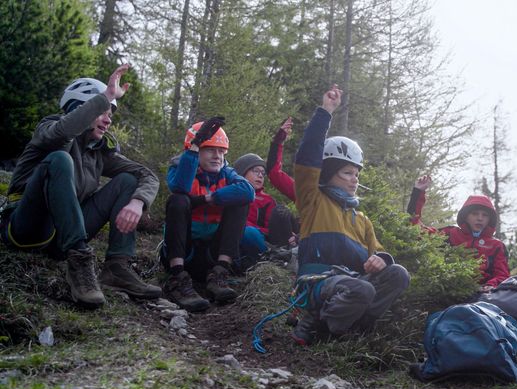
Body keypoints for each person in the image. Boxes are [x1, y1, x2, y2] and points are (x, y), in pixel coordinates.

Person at [1, 64, 161, 308]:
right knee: (60, 159)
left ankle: (117, 267)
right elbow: (64, 132)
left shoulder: (99, 152)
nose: (108, 120)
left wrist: (138, 202)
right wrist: (106, 96)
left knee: (128, 181)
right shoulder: (49, 129)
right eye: (104, 111)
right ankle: (80, 261)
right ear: (81, 107)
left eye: (111, 114)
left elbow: (147, 175)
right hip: (28, 227)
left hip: (61, 239)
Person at [290, 85, 410, 345]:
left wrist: (381, 259)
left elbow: (376, 251)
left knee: (398, 273)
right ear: (328, 172)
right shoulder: (313, 200)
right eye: (347, 173)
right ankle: (317, 322)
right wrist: (326, 111)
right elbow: (307, 157)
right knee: (362, 288)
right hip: (317, 285)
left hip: (352, 285)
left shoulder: (362, 219)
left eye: (356, 174)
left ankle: (357, 326)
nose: (354, 179)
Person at [163, 117, 254, 312]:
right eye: (211, 150)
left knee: (239, 202)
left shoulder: (227, 173)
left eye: (221, 151)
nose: (217, 156)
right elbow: (180, 187)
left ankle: (220, 274)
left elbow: (248, 192)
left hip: (211, 256)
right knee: (178, 200)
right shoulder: (178, 167)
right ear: (196, 151)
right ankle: (177, 278)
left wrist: (210, 198)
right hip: (185, 253)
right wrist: (194, 148)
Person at [407, 175, 509, 292]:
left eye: (484, 215)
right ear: (465, 216)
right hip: (445, 292)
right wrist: (418, 192)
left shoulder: (496, 246)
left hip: (483, 296)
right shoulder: (450, 234)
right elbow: (416, 230)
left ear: (489, 220)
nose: (480, 218)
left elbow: (503, 276)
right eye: (475, 214)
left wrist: (489, 286)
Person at [233, 117, 299, 264]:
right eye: (255, 171)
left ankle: (284, 255)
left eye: (262, 173)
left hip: (273, 241)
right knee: (248, 232)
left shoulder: (267, 200)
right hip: (248, 239)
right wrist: (279, 140)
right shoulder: (230, 193)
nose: (260, 176)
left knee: (282, 212)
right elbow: (274, 172)